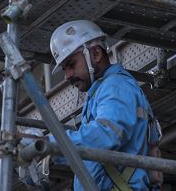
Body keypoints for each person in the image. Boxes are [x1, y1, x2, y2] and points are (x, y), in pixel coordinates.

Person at [47, 19, 161, 191]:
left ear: (95, 54)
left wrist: (49, 146)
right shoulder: (101, 91)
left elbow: (106, 135)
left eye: (71, 65)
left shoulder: (115, 86)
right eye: (65, 69)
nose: (67, 75)